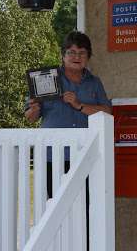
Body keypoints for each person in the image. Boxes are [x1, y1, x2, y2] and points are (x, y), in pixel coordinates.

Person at [25, 31, 112, 197]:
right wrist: (34, 110)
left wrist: (79, 105)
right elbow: (30, 117)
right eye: (71, 52)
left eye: (82, 53)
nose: (76, 57)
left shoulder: (95, 82)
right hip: (54, 155)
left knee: (87, 205)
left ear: (88, 57)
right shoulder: (46, 78)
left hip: (86, 154)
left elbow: (107, 112)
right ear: (63, 55)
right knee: (57, 206)